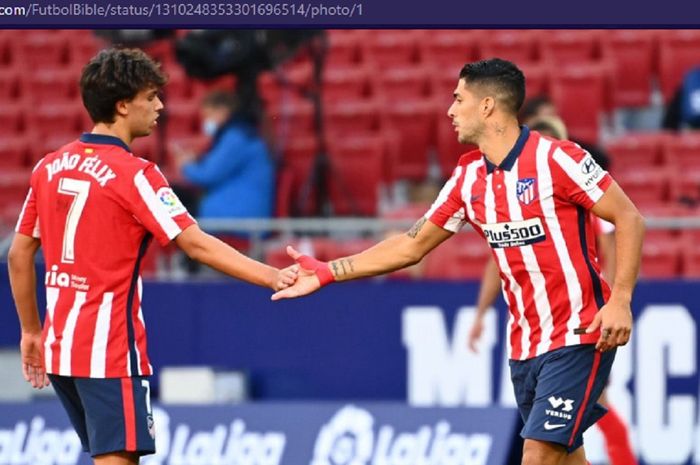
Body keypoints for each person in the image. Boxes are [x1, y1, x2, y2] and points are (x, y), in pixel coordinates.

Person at [271, 58, 645, 465]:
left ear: (487, 106)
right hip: (525, 346)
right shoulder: (468, 178)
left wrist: (620, 298)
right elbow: (410, 246)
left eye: (458, 98)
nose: (450, 110)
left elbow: (629, 217)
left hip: (579, 333)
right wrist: (329, 271)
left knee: (538, 454)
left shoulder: (558, 159)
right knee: (568, 458)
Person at [7, 48, 297, 465]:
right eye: (150, 96)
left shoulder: (49, 167)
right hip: (108, 351)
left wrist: (31, 332)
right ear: (123, 105)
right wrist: (272, 277)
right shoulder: (136, 174)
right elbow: (194, 244)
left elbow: (19, 254)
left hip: (60, 347)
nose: (160, 105)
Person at [468, 115, 638, 465]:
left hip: (580, 327)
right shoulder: (508, 207)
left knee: (547, 447)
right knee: (568, 450)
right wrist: (481, 313)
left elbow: (612, 246)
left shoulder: (583, 201)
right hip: (535, 337)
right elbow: (495, 262)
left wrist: (611, 302)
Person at [173, 90, 275, 222]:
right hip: (238, 213)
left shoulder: (236, 137)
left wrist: (185, 165)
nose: (206, 122)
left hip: (238, 216)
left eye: (208, 116)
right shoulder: (240, 134)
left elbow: (208, 175)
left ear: (222, 111)